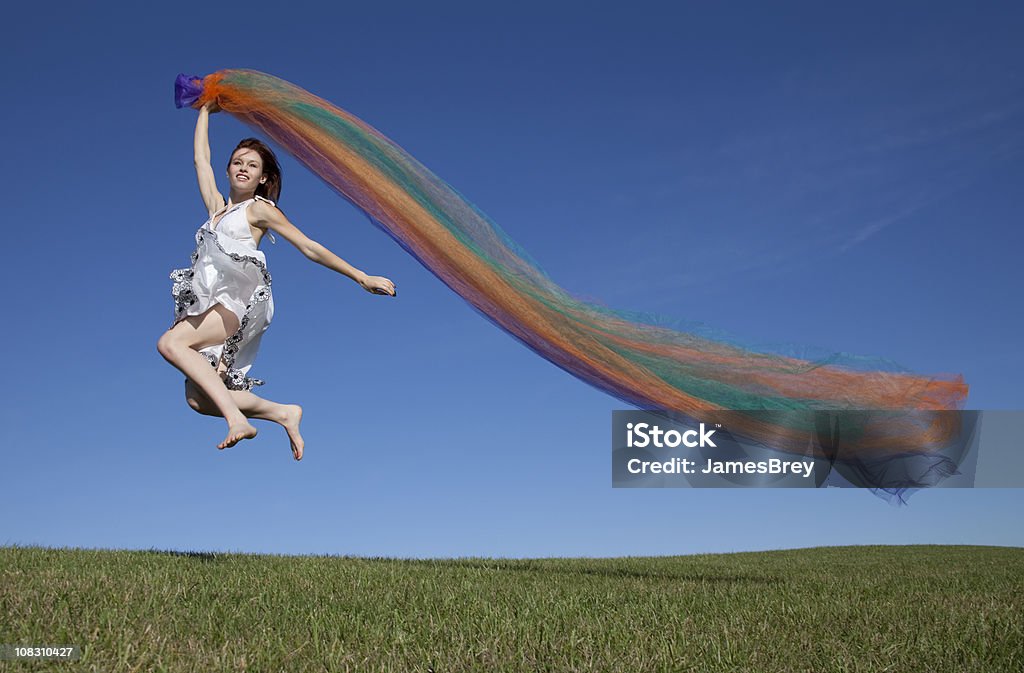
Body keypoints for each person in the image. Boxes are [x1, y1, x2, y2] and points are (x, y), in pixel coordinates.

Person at [156, 101, 396, 461]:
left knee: (172, 343)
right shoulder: (216, 208)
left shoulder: (259, 210)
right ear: (228, 170)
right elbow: (200, 160)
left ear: (263, 178)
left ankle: (237, 419)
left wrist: (361, 276)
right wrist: (204, 110)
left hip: (233, 304)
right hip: (207, 304)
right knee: (197, 399)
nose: (243, 168)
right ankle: (283, 413)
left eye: (252, 165)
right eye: (237, 162)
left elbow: (309, 247)